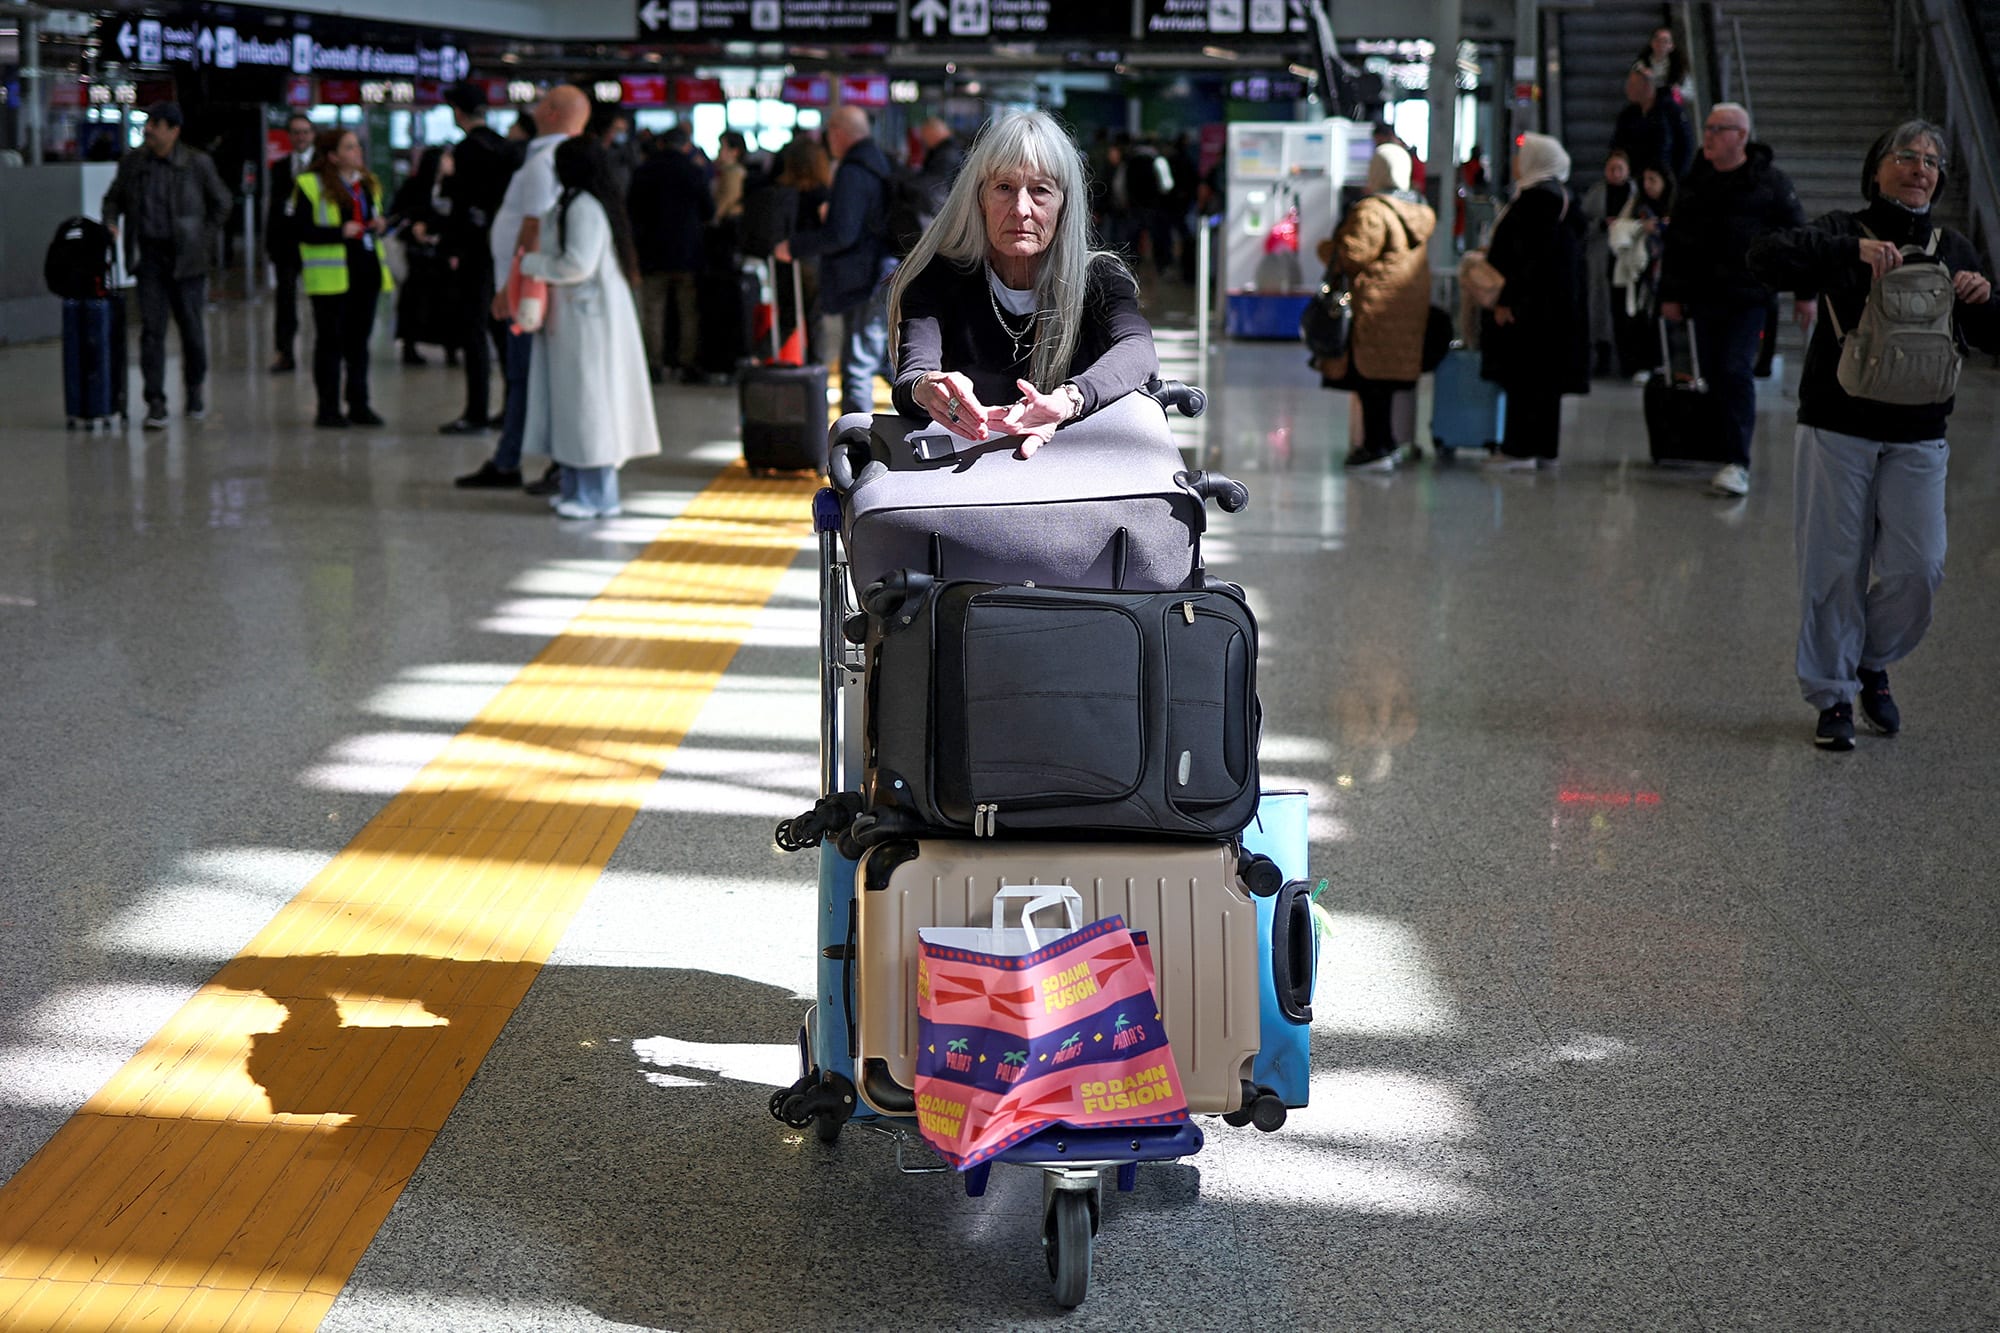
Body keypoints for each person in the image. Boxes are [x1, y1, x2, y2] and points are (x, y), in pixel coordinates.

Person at [1746, 122, 2000, 751]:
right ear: (1877, 169)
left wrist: (1985, 300)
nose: (1920, 170)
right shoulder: (1841, 230)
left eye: (1932, 162)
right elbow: (1763, 258)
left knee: (1921, 567)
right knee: (1833, 565)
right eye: (1907, 157)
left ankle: (1868, 657)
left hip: (1920, 433)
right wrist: (1843, 255)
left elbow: (1993, 336)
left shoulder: (1955, 247)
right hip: (1839, 424)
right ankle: (1832, 694)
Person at [886, 109, 1156, 458]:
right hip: (963, 480)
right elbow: (913, 375)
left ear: (1065, 204)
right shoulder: (938, 277)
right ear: (980, 198)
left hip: (1075, 474)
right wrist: (931, 389)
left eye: (1040, 190)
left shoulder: (1099, 279)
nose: (1021, 208)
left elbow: (1138, 349)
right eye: (1004, 187)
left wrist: (1068, 400)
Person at [1659, 103, 1809, 497]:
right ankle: (1720, 449)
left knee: (1735, 369)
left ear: (1741, 136)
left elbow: (1799, 238)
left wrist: (1805, 293)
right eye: (1706, 128)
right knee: (1710, 371)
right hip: (1704, 295)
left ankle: (1737, 461)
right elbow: (1677, 242)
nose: (1707, 135)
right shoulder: (1696, 181)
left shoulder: (1769, 183)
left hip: (1749, 298)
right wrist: (1670, 293)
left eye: (1718, 129)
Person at [456, 85, 590, 493]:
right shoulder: (559, 159)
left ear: (550, 112)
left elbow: (533, 230)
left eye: (540, 102)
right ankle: (518, 458)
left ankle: (519, 460)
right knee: (528, 378)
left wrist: (509, 289)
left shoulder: (544, 162)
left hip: (527, 293)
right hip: (540, 289)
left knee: (523, 376)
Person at [519, 138, 660, 520]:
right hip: (576, 321)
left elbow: (577, 264)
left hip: (588, 322)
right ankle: (578, 487)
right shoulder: (577, 203)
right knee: (574, 406)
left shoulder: (583, 208)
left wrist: (532, 263)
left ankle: (597, 495)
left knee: (589, 407)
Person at [99, 102, 232, 428]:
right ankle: (155, 401)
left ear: (174, 130)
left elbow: (222, 203)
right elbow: (112, 198)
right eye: (148, 123)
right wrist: (111, 221)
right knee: (152, 332)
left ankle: (194, 389)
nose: (149, 130)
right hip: (150, 259)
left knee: (192, 331)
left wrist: (202, 237)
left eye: (156, 124)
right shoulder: (134, 163)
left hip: (187, 260)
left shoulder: (196, 164)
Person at [1312, 142, 1437, 471]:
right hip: (1405, 308)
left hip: (1375, 308)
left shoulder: (1371, 211)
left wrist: (1327, 248)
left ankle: (1377, 447)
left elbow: (1351, 256)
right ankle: (1389, 444)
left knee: (1370, 382)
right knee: (1385, 381)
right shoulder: (1419, 209)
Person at [775, 106, 898, 415]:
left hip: (862, 278)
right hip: (881, 271)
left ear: (839, 132)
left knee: (857, 365)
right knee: (881, 358)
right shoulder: (879, 163)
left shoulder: (853, 170)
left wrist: (795, 246)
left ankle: (856, 447)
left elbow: (842, 233)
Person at [1480, 133, 1589, 470]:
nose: (1515, 162)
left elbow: (1525, 259)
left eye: (1522, 155)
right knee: (1546, 381)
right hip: (1555, 308)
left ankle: (1519, 448)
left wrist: (1506, 299)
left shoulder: (1535, 202)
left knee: (1523, 377)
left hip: (1528, 307)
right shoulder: (1563, 199)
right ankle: (1544, 448)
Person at [293, 128, 394, 428]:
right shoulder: (310, 185)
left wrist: (379, 224)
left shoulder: (366, 185)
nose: (357, 152)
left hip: (365, 273)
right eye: (349, 148)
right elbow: (300, 231)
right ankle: (328, 409)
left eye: (357, 146)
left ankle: (359, 404)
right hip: (331, 277)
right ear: (333, 156)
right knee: (330, 344)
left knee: (359, 345)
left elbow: (370, 222)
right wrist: (339, 232)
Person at [434, 82, 518, 436]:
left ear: (457, 112)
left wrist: (450, 248)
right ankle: (511, 409)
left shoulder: (467, 151)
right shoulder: (503, 147)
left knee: (473, 332)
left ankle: (476, 411)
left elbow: (460, 206)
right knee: (502, 332)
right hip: (502, 252)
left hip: (473, 251)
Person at [626, 126, 714, 384]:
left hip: (652, 253)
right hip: (688, 252)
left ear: (662, 145)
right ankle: (687, 364)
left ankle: (654, 366)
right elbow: (708, 211)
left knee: (653, 310)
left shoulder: (644, 172)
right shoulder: (694, 171)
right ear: (687, 146)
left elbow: (631, 212)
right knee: (688, 312)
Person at [389, 146, 454, 366]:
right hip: (417, 256)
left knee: (447, 302)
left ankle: (451, 347)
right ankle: (410, 345)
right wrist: (414, 228)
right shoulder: (414, 186)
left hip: (443, 254)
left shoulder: (455, 186)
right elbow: (397, 216)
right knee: (414, 301)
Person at [266, 113, 316, 373]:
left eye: (305, 132)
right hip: (287, 244)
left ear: (313, 134)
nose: (301, 137)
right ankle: (284, 352)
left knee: (321, 300)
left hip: (316, 242)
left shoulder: (321, 165)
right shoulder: (281, 167)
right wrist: (270, 243)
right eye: (296, 132)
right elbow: (274, 208)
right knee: (285, 300)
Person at [1582, 150, 1637, 377]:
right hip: (1601, 254)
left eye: (1619, 169)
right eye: (1611, 169)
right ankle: (1602, 356)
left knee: (1624, 306)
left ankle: (1628, 359)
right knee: (1600, 305)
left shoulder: (1635, 193)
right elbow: (1584, 222)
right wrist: (1602, 225)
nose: (1615, 174)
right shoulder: (1597, 193)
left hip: (1626, 254)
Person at [1611, 63, 1693, 181]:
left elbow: (1685, 146)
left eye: (1633, 84)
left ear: (1646, 86)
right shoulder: (1628, 114)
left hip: (1667, 178)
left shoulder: (1670, 111)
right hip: (1637, 178)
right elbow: (1618, 143)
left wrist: (1676, 179)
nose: (1627, 88)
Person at [712, 129, 750, 222]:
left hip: (728, 221)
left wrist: (713, 217)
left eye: (722, 147)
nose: (719, 150)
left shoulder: (734, 172)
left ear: (735, 151)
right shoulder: (725, 170)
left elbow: (728, 198)